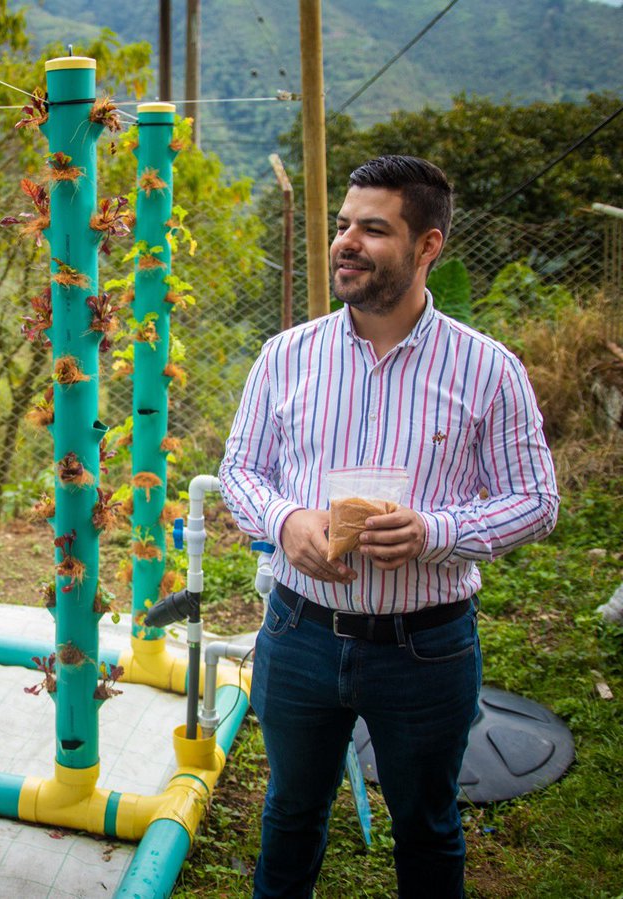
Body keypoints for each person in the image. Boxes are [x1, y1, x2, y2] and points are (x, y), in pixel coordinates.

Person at [219, 155, 559, 898]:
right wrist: (288, 520)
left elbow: (536, 499)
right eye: (344, 225)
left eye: (373, 229)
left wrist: (434, 530)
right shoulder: (286, 356)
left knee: (428, 827)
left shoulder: (487, 369)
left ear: (427, 245)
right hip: (300, 632)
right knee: (289, 814)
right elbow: (240, 471)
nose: (347, 241)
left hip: (426, 647)